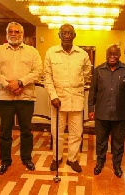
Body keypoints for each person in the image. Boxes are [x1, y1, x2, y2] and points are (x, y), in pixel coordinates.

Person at [0, 21, 42, 175]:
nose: (13, 34)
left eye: (17, 32)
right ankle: (5, 160)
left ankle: (26, 158)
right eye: (10, 31)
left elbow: (38, 71)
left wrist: (20, 82)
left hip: (26, 97)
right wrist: (8, 84)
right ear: (6, 34)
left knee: (26, 130)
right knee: (5, 131)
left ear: (22, 35)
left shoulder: (32, 52)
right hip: (4, 97)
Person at [43, 24, 91, 173]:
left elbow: (87, 73)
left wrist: (78, 84)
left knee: (76, 133)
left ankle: (72, 159)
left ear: (74, 35)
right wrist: (53, 95)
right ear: (59, 35)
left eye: (70, 33)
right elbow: (47, 76)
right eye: (64, 33)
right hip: (58, 100)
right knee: (57, 132)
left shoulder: (82, 54)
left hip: (76, 99)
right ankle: (57, 158)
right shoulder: (51, 52)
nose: (67, 35)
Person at [88, 44, 125, 178]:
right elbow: (93, 91)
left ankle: (117, 165)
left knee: (118, 142)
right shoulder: (98, 70)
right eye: (110, 54)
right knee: (100, 141)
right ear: (106, 55)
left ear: (119, 56)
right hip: (102, 113)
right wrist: (91, 108)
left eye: (115, 54)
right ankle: (100, 162)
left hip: (120, 114)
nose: (112, 57)